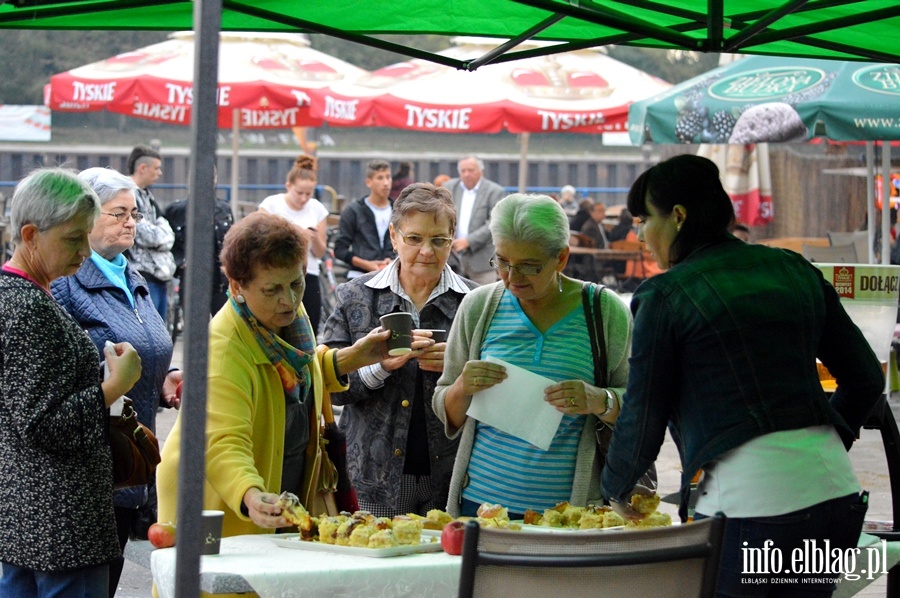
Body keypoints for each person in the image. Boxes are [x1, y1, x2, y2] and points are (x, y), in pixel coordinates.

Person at [600, 155, 884, 595]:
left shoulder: (664, 295)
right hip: (835, 495)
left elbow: (642, 414)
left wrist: (614, 492)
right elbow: (867, 378)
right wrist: (821, 440)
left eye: (644, 219)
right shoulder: (794, 269)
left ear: (678, 217)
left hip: (751, 508)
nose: (639, 234)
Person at [156, 212, 394, 538]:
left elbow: (294, 376)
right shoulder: (222, 351)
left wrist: (355, 357)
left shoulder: (288, 316)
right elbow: (223, 441)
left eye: (297, 283)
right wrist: (250, 494)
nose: (289, 300)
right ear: (237, 287)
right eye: (272, 290)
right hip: (217, 507)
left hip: (279, 486)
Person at [433, 193, 633, 518]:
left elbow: (639, 409)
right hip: (480, 506)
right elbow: (447, 411)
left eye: (529, 266)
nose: (512, 277)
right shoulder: (479, 306)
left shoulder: (605, 311)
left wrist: (599, 401)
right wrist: (462, 388)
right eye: (501, 261)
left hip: (568, 513)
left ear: (562, 258)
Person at [0, 167, 142, 598]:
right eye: (71, 238)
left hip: (27, 516)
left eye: (85, 236)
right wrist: (114, 386)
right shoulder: (29, 309)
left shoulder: (17, 295)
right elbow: (45, 423)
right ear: (30, 235)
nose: (84, 251)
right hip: (62, 524)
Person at [50, 167, 178, 596]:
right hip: (89, 464)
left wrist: (165, 375)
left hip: (129, 465)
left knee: (108, 577)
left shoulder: (133, 277)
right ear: (86, 218)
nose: (130, 222)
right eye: (118, 213)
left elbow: (146, 346)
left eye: (135, 213)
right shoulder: (68, 284)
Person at [321, 183, 478, 517]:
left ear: (452, 239)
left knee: (443, 567)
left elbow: (497, 391)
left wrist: (459, 369)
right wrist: (379, 366)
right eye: (414, 239)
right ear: (394, 236)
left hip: (454, 475)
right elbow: (329, 387)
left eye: (439, 240)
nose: (426, 251)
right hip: (373, 473)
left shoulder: (475, 302)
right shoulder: (356, 296)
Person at [258, 155, 329, 334]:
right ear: (288, 186)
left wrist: (312, 237)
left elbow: (320, 252)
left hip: (308, 272)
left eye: (308, 194)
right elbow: (258, 238)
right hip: (276, 270)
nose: (303, 198)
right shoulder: (271, 204)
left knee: (309, 326)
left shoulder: (317, 208)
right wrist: (295, 233)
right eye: (299, 193)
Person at [164, 164, 234, 314]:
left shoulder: (224, 209)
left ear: (215, 179)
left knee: (221, 330)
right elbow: (166, 242)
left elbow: (232, 243)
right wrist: (180, 261)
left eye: (211, 177)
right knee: (194, 332)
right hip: (191, 282)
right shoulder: (176, 210)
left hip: (220, 281)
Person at [125, 145, 176, 321]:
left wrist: (160, 234)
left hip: (159, 276)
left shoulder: (148, 196)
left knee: (162, 329)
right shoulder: (128, 196)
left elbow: (165, 230)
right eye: (157, 168)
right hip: (142, 276)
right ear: (143, 168)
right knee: (149, 326)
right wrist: (160, 235)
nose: (160, 173)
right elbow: (144, 232)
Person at [442, 155, 505, 285]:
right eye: (463, 171)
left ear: (480, 171)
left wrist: (468, 241)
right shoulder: (449, 188)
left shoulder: (494, 191)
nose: (466, 174)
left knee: (484, 300)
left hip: (481, 260)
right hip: (451, 258)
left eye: (471, 170)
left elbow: (494, 223)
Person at [333, 159, 396, 280]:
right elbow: (340, 249)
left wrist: (393, 261)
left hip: (392, 275)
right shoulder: (354, 211)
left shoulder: (399, 210)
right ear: (368, 182)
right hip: (360, 276)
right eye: (380, 178)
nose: (386, 183)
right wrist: (366, 264)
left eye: (388, 177)